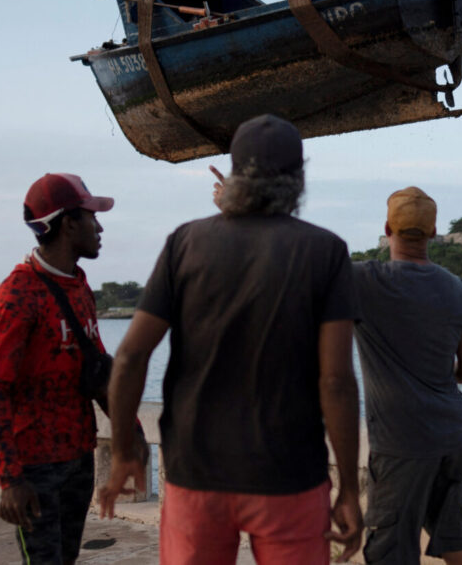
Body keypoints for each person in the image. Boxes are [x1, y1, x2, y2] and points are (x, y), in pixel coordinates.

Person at [98, 114, 363, 565]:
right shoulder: (326, 251)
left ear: (235, 175)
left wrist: (124, 449)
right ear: (298, 179)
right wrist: (351, 491)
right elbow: (335, 382)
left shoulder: (186, 243)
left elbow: (129, 357)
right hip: (289, 476)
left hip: (195, 473)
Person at [0, 173, 145, 564]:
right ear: (69, 224)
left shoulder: (80, 287)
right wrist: (10, 480)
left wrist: (130, 433)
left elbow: (98, 369)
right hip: (34, 468)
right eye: (92, 216)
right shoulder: (16, 298)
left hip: (77, 460)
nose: (99, 226)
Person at [353, 186, 462, 565]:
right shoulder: (458, 288)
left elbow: (297, 261)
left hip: (401, 444)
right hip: (450, 438)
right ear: (434, 231)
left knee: (389, 553)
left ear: (387, 227)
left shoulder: (365, 280)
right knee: (455, 543)